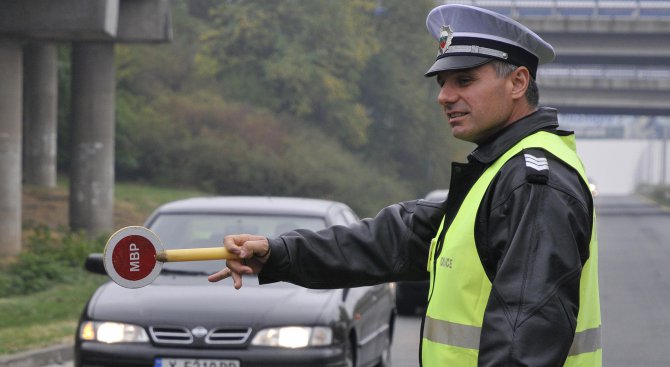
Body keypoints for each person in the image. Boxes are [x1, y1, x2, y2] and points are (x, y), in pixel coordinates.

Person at [208, 4, 602, 366]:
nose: (445, 97)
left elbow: (524, 341)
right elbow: (391, 240)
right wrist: (278, 253)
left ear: (517, 83)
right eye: (442, 83)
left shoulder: (533, 181)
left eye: (464, 80)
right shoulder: (500, 170)